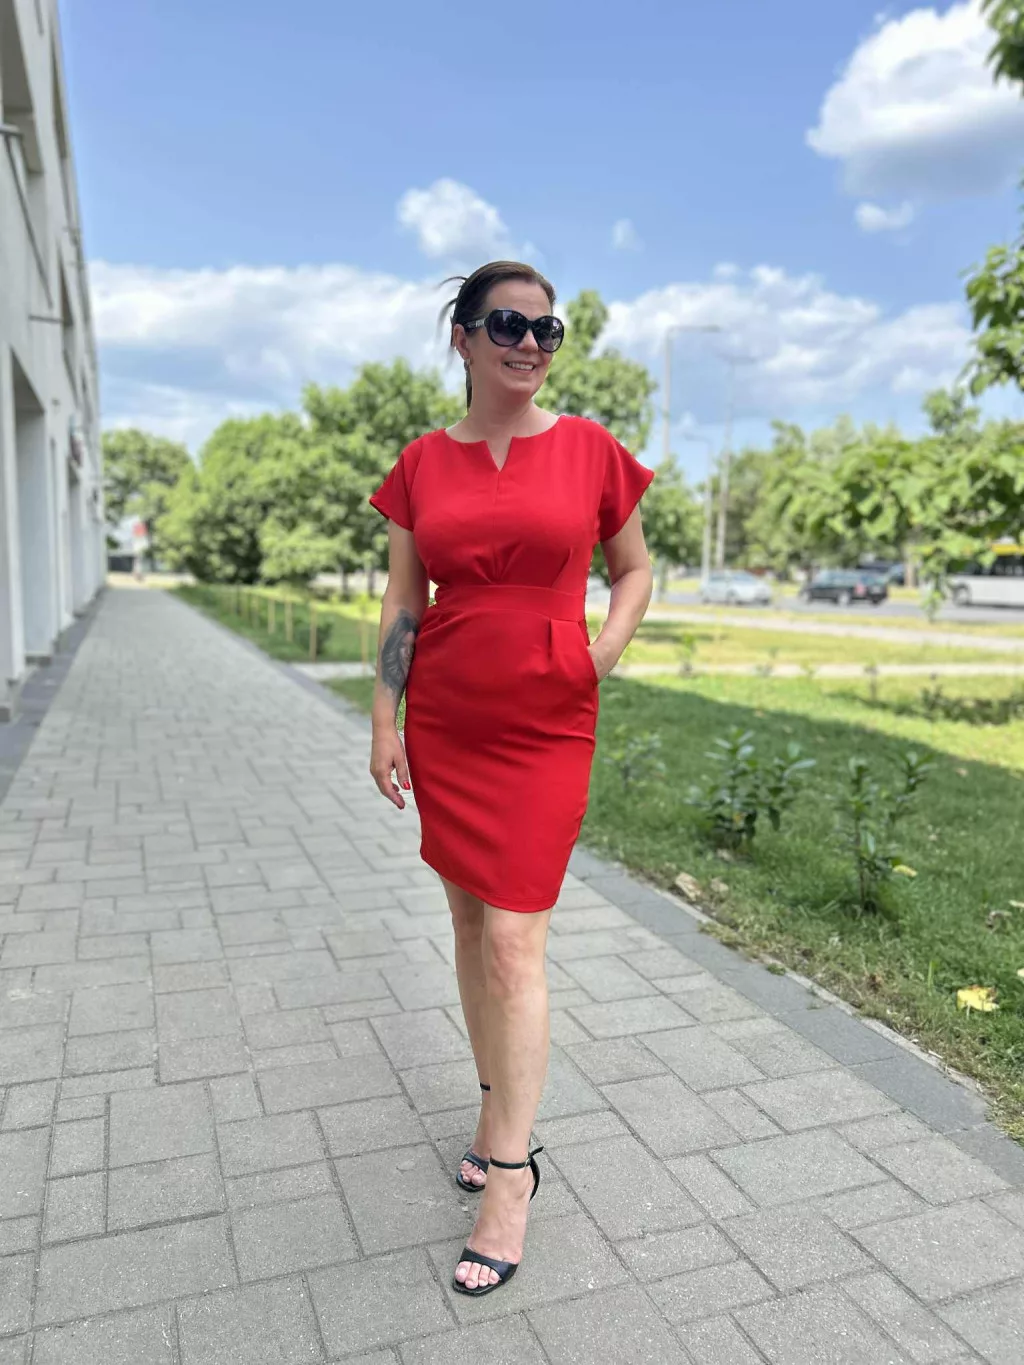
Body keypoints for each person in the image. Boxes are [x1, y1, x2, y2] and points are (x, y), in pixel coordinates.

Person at [368, 260, 654, 1297]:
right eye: (507, 325)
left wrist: (597, 654)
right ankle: (495, 1115)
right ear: (462, 337)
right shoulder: (419, 464)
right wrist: (385, 718)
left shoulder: (588, 450)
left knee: (512, 939)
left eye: (546, 329)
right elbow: (405, 601)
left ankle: (511, 1177)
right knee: (465, 924)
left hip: (545, 722)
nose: (530, 344)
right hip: (447, 715)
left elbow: (633, 569)